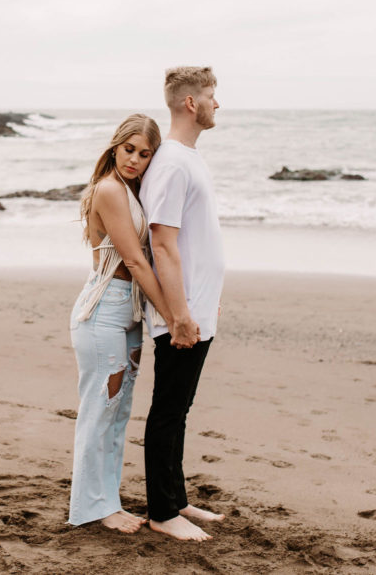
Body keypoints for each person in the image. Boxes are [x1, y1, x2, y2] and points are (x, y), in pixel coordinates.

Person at [67, 113, 188, 534]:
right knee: (100, 410)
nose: (134, 159)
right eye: (128, 150)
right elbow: (136, 261)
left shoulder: (133, 191)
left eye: (144, 153)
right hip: (102, 310)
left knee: (117, 413)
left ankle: (108, 500)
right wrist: (174, 317)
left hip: (129, 312)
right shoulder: (109, 190)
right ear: (114, 147)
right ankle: (92, 507)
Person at [140, 66, 225, 541]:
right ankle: (161, 512)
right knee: (169, 410)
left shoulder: (186, 158)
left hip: (195, 310)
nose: (218, 104)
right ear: (190, 103)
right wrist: (179, 316)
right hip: (181, 314)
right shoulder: (172, 162)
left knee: (180, 409)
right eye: (212, 96)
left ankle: (177, 500)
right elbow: (163, 243)